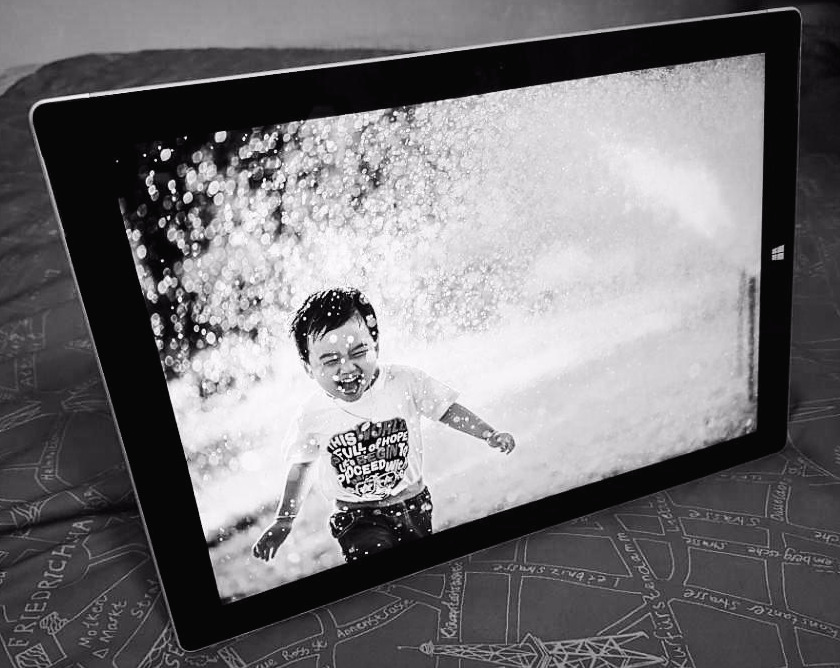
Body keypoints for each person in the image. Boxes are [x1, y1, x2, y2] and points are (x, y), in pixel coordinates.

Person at [252, 287, 516, 563]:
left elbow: (446, 410)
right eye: (330, 361)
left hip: (413, 505)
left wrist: (488, 433)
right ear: (308, 367)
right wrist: (284, 519)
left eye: (358, 352)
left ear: (375, 345)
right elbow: (302, 466)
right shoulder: (312, 414)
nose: (347, 368)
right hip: (356, 517)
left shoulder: (404, 382)